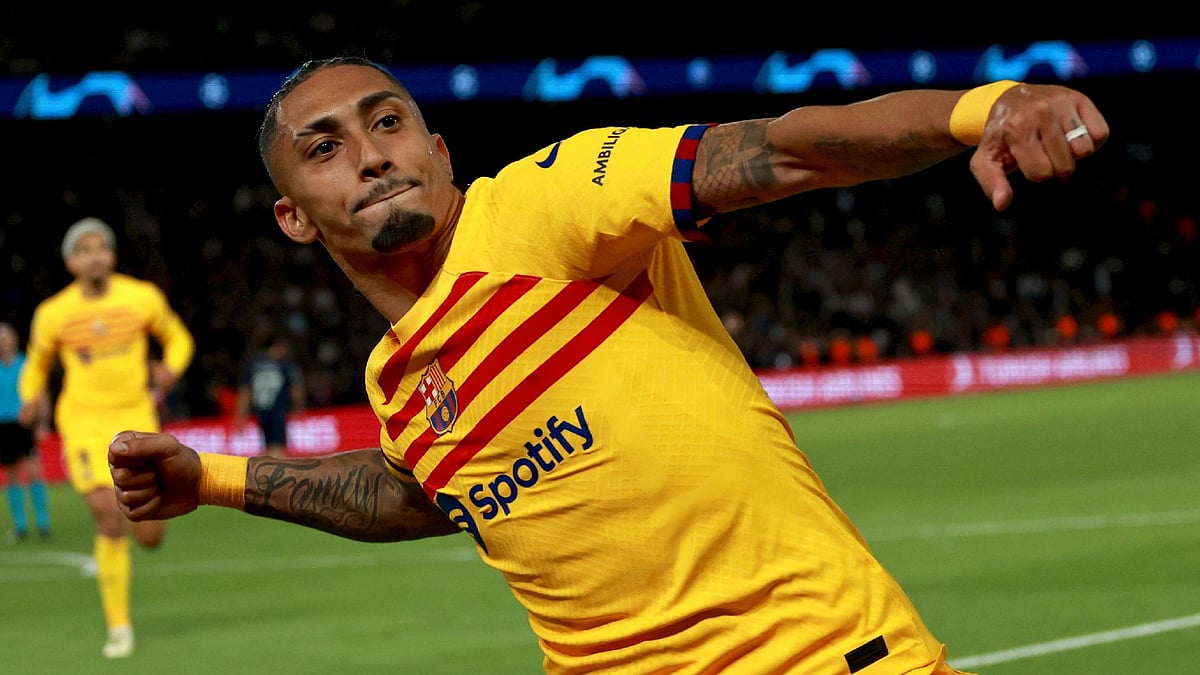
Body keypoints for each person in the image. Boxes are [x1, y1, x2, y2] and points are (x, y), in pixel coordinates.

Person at [108, 57, 1108, 674]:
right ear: (289, 217)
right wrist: (213, 481)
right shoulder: (397, 384)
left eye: (387, 122)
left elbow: (781, 151)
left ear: (440, 149)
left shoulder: (544, 208)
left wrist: (984, 109)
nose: (370, 155)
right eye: (322, 148)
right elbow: (417, 492)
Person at [19, 217, 195, 659]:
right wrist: (30, 397)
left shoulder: (141, 298)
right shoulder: (53, 313)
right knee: (106, 512)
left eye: (101, 247)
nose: (94, 255)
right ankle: (119, 626)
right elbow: (36, 365)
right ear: (70, 262)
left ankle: (150, 526)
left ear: (112, 256)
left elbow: (177, 337)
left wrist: (171, 367)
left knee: (149, 531)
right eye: (85, 249)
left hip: (136, 417)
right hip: (81, 422)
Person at [0, 322, 52, 542]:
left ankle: (43, 522)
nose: (3, 342)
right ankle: (20, 525)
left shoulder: (27, 364)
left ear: (14, 339)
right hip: (3, 425)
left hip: (23, 423)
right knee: (10, 475)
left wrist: (42, 422)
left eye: (6, 337)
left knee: (34, 471)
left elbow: (41, 394)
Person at [233, 330, 305, 457]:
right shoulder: (284, 365)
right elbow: (296, 388)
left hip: (261, 412)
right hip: (278, 411)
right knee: (278, 447)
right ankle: (277, 474)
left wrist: (241, 416)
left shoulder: (253, 365)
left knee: (267, 447)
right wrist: (299, 408)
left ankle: (270, 471)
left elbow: (245, 392)